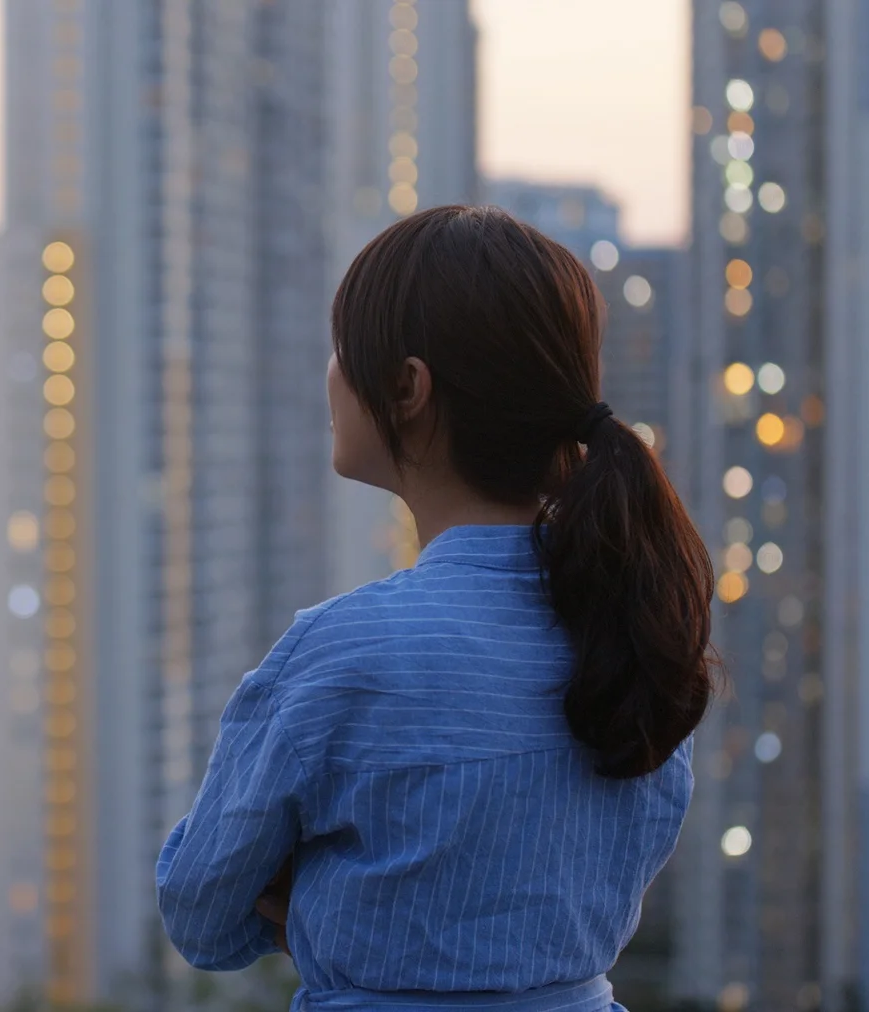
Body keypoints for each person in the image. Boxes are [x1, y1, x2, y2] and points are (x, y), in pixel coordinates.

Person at [156, 205, 715, 1012]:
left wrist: (318, 899)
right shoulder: (635, 634)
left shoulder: (341, 654)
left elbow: (202, 916)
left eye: (345, 349)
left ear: (408, 388)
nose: (330, 373)